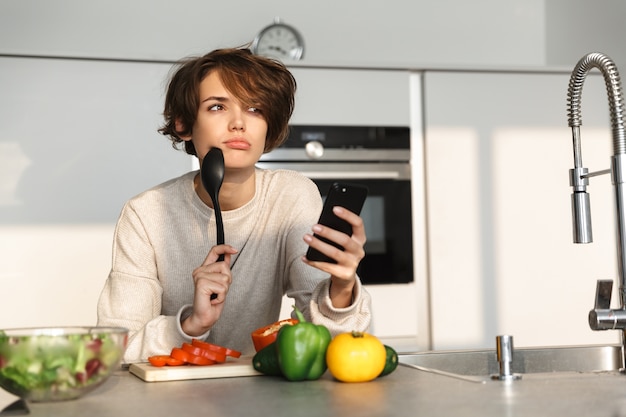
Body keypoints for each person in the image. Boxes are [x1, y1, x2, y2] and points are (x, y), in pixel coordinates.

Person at [96, 47, 372, 363]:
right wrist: (191, 324)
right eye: (217, 107)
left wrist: (342, 286)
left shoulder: (292, 195)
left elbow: (326, 344)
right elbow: (113, 352)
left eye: (255, 109)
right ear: (184, 124)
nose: (239, 123)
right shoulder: (145, 214)